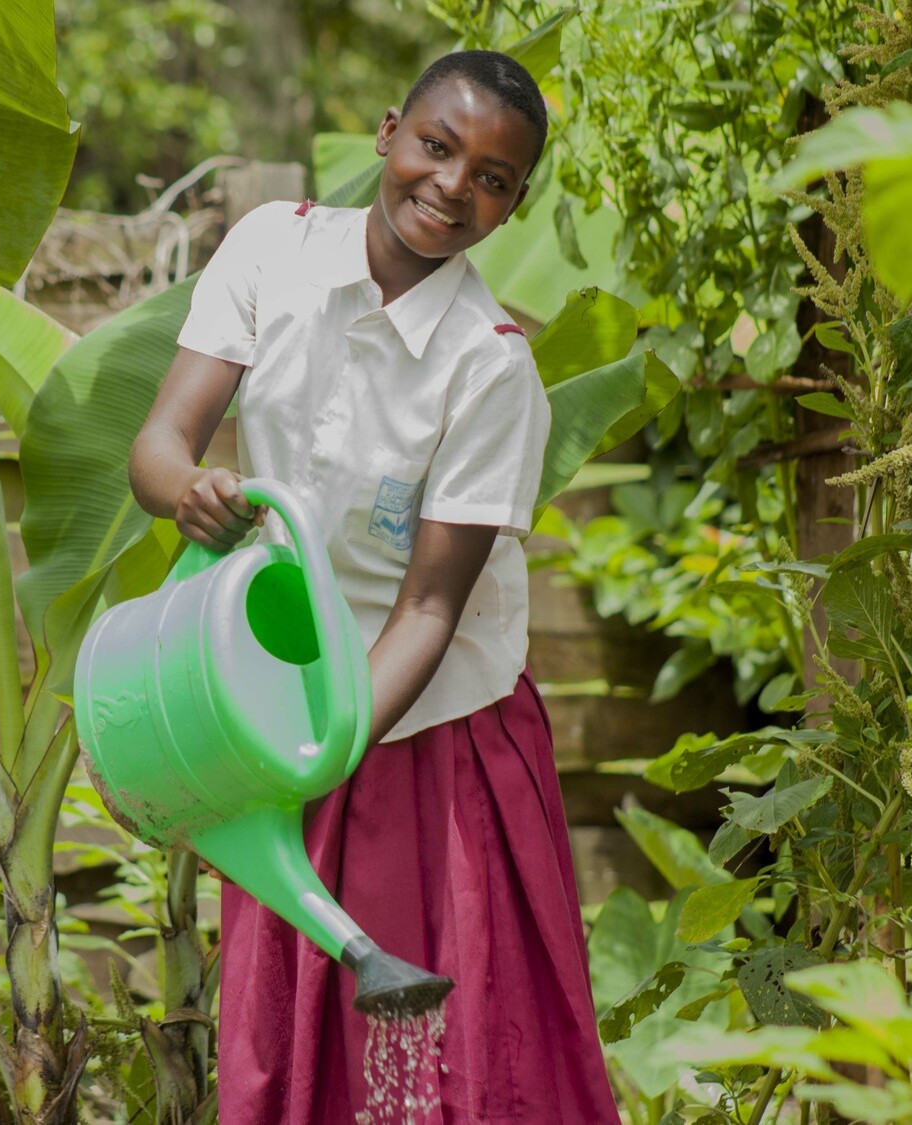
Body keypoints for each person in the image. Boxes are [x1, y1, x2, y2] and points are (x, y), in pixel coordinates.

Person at [127, 49, 621, 1124]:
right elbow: (161, 443)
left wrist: (321, 756)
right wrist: (189, 494)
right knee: (289, 1046)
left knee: (470, 1059)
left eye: (490, 179)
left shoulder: (488, 368)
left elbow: (431, 611)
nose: (451, 186)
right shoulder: (271, 251)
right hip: (280, 707)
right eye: (436, 148)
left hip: (437, 735)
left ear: (510, 207)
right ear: (391, 131)